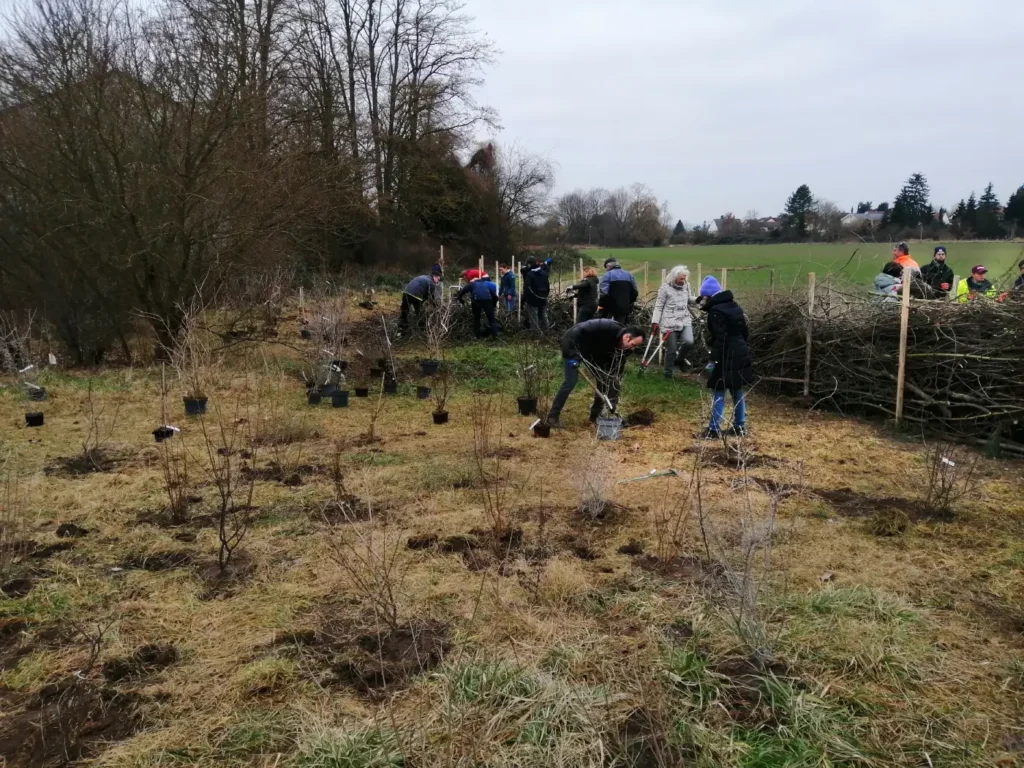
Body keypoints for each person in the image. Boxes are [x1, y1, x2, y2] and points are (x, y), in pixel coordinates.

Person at [546, 319, 645, 427]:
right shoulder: (607, 328)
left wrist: (614, 381)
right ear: (626, 337)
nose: (633, 348)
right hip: (573, 344)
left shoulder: (626, 349)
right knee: (571, 381)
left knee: (605, 381)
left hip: (594, 353)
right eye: (633, 344)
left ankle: (595, 417)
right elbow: (574, 334)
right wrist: (573, 355)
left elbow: (617, 369)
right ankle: (552, 417)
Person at [696, 276, 753, 438]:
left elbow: (720, 339)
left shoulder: (716, 311)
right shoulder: (734, 305)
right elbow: (745, 331)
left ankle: (713, 430)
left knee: (718, 390)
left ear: (708, 295)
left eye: (704, 297)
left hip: (725, 355)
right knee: (737, 390)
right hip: (740, 350)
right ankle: (739, 426)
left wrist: (712, 362)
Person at [651, 265, 696, 378]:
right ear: (674, 278)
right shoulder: (665, 288)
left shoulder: (687, 285)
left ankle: (679, 360)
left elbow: (689, 299)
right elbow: (659, 306)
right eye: (681, 278)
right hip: (669, 322)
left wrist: (698, 299)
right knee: (672, 349)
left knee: (689, 341)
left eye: (685, 278)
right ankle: (667, 373)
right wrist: (655, 321)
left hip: (684, 319)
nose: (683, 280)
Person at [456, 273, 499, 338]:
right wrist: (494, 305)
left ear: (473, 281)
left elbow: (462, 292)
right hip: (488, 300)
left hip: (476, 300)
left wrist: (461, 300)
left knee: (476, 318)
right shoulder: (486, 284)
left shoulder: (472, 284)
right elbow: (495, 297)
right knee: (491, 319)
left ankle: (477, 336)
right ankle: (495, 335)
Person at [598, 258, 639, 323]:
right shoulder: (628, 274)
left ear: (608, 266)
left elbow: (604, 293)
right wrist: (628, 302)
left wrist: (601, 304)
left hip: (609, 308)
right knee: (620, 327)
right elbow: (635, 292)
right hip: (624, 307)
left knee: (606, 327)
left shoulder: (607, 275)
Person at [522, 256, 552, 331]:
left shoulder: (529, 274)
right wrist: (545, 295)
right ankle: (547, 331)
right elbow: (547, 286)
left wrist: (526, 298)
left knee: (533, 317)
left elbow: (527, 288)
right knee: (544, 315)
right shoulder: (544, 273)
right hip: (543, 298)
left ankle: (537, 334)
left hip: (533, 299)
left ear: (529, 265)